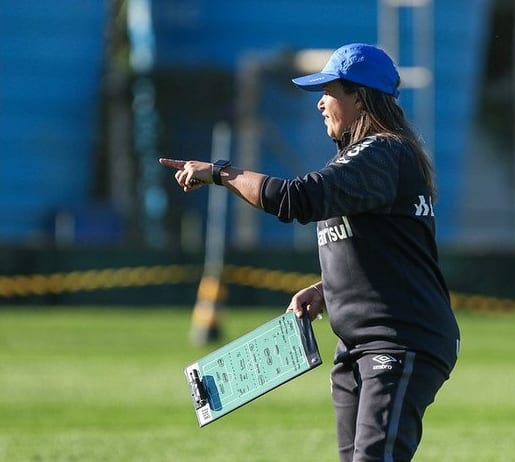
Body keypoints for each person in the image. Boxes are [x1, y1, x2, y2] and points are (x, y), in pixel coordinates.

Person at [160, 42, 460, 462]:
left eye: (329, 91)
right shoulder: (371, 157)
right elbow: (387, 247)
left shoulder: (382, 153)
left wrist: (221, 173)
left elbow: (297, 199)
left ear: (359, 94)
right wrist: (326, 288)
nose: (320, 103)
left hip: (399, 341)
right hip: (358, 344)